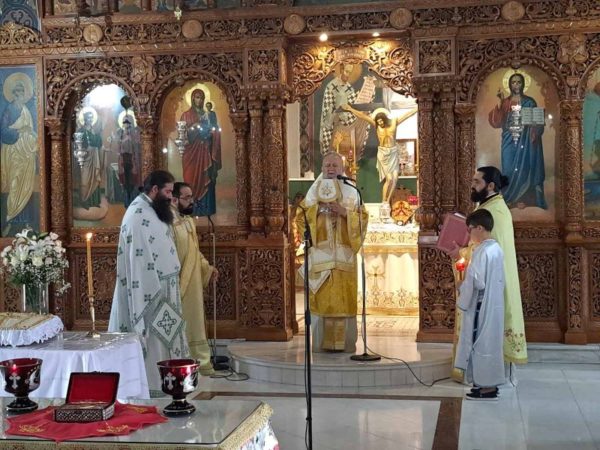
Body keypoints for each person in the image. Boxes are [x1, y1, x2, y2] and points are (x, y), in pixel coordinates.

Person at [108, 170, 189, 397]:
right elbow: (138, 260)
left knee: (166, 335)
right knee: (155, 339)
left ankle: (171, 377)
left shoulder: (153, 209)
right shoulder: (136, 214)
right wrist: (150, 291)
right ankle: (152, 381)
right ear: (154, 190)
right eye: (168, 192)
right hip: (149, 290)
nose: (171, 197)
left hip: (165, 287)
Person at [451, 166, 527, 384]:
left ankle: (491, 377)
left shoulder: (496, 212)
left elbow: (489, 251)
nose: (472, 185)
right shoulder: (489, 206)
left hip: (492, 286)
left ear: (490, 185)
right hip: (487, 283)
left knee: (489, 329)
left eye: (477, 182)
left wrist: (459, 254)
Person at [295, 152, 368, 352]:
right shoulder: (313, 191)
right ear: (322, 168)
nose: (331, 168)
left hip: (344, 256)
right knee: (322, 300)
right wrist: (317, 210)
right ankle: (321, 345)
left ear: (342, 169)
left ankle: (346, 344)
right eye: (327, 165)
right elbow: (300, 217)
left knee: (344, 299)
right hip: (321, 255)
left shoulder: (352, 191)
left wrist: (344, 212)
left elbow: (363, 219)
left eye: (335, 165)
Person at [455, 209, 505, 401]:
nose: (469, 233)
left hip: (481, 306)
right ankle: (485, 384)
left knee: (479, 343)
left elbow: (478, 281)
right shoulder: (496, 248)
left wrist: (462, 285)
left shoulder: (481, 251)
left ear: (480, 228)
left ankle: (487, 388)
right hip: (493, 305)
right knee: (490, 344)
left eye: (470, 229)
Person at [171, 181, 218, 375]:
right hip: (179, 284)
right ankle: (184, 360)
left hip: (193, 284)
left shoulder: (188, 221)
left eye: (192, 197)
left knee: (196, 322)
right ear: (174, 199)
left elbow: (194, 250)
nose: (192, 201)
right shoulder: (168, 223)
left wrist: (207, 268)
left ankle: (199, 360)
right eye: (187, 197)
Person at [489, 72, 547, 209]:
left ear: (523, 84)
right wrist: (500, 102)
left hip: (525, 140)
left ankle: (523, 199)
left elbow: (537, 123)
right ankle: (509, 198)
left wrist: (535, 125)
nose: (516, 85)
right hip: (509, 139)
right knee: (508, 168)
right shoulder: (505, 102)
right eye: (513, 82)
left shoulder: (529, 102)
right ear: (510, 85)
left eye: (519, 82)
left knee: (525, 167)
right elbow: (496, 122)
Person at [342, 105, 417, 204]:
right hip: (383, 153)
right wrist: (351, 109)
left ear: (385, 119)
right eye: (378, 122)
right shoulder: (376, 125)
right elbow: (362, 116)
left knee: (395, 179)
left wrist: (417, 108)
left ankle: (387, 202)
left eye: (381, 121)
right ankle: (383, 201)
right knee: (389, 179)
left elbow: (407, 115)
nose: (380, 123)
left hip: (393, 153)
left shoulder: (394, 122)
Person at [0, 77, 37, 236]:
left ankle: (26, 222)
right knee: (15, 184)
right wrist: (20, 131)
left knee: (27, 185)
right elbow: (3, 132)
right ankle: (11, 219)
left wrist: (32, 135)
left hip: (27, 152)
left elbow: (31, 129)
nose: (20, 95)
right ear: (13, 94)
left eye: (22, 92)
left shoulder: (26, 110)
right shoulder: (9, 110)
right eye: (17, 92)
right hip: (13, 151)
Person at [179, 88, 222, 217]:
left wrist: (213, 132)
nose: (200, 100)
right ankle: (191, 209)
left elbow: (214, 130)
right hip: (191, 154)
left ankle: (207, 209)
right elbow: (182, 136)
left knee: (206, 177)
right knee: (190, 178)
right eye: (197, 97)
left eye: (202, 98)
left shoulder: (208, 115)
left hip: (205, 152)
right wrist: (194, 127)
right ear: (192, 99)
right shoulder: (186, 115)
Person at [110, 112, 142, 207]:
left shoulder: (135, 133)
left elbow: (138, 146)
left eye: (128, 122)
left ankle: (133, 201)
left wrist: (132, 139)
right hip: (123, 160)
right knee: (125, 182)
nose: (126, 124)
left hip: (133, 160)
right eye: (124, 122)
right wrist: (120, 140)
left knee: (133, 181)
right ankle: (127, 202)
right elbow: (117, 147)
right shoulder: (120, 133)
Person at [74, 107, 104, 209]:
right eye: (88, 118)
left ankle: (94, 201)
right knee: (85, 180)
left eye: (91, 118)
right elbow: (77, 145)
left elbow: (98, 144)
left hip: (94, 157)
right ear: (85, 119)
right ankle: (84, 201)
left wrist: (98, 135)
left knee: (95, 178)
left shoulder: (94, 131)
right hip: (85, 158)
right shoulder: (81, 131)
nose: (90, 120)